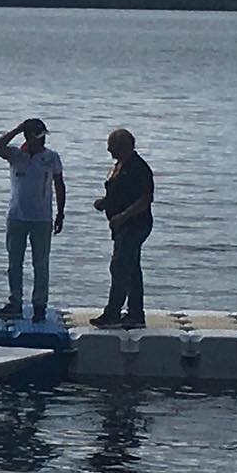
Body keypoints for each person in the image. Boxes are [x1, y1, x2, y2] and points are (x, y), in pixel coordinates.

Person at [0, 116, 65, 322]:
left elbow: (59, 185)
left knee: (41, 264)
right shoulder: (15, 155)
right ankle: (15, 303)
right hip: (17, 216)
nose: (42, 140)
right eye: (37, 136)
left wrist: (60, 212)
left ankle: (40, 306)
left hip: (42, 218)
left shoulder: (51, 157)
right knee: (14, 263)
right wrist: (17, 129)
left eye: (43, 136)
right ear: (28, 136)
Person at [91, 128, 154, 329]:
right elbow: (119, 194)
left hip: (135, 225)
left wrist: (123, 216)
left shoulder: (139, 168)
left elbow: (145, 199)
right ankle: (136, 314)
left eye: (112, 146)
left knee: (119, 267)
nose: (108, 150)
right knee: (132, 268)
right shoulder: (119, 166)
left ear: (124, 146)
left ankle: (113, 313)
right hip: (121, 226)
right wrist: (105, 203)